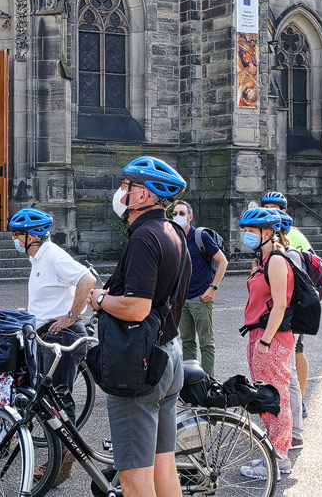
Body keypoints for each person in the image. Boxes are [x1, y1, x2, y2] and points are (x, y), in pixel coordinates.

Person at [87, 156, 189, 497]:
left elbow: (136, 308)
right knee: (164, 469)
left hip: (140, 366)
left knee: (134, 481)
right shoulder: (174, 232)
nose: (120, 192)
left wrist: (101, 299)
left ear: (143, 194)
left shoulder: (144, 238)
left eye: (125, 186)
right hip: (168, 356)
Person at [9, 207, 97, 486]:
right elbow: (52, 293)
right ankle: (61, 457)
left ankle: (63, 461)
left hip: (62, 337)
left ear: (33, 236)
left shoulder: (53, 256)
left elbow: (87, 279)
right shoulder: (38, 258)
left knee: (59, 400)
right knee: (51, 400)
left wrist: (72, 315)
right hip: (48, 335)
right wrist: (33, 312)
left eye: (17, 234)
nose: (13, 238)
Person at [238, 207, 295, 478]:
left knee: (277, 397)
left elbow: (280, 305)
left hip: (270, 339)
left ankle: (280, 458)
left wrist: (265, 341)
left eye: (252, 231)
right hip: (258, 335)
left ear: (268, 232)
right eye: (246, 231)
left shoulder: (276, 260)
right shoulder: (262, 260)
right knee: (266, 398)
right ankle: (272, 453)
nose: (247, 235)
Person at [260, 191, 312, 419]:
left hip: (292, 309)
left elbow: (303, 279)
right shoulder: (268, 237)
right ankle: (292, 407)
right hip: (280, 310)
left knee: (295, 354)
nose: (269, 212)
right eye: (266, 208)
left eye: (274, 208)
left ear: (284, 211)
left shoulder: (294, 237)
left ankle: (298, 405)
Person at [170, 201, 227, 377]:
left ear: (190, 217)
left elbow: (223, 261)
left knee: (206, 343)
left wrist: (213, 288)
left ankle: (208, 381)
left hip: (200, 298)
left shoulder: (200, 237)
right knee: (187, 341)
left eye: (181, 213)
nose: (177, 217)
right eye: (174, 214)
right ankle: (191, 381)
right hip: (181, 299)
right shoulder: (174, 238)